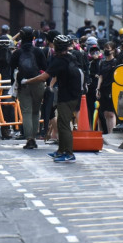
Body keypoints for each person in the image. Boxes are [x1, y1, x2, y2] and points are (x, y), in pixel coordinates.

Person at [22, 35, 82, 163]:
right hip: (73, 95)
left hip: (67, 96)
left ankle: (69, 153)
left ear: (56, 46)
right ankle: (60, 151)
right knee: (61, 124)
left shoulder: (59, 60)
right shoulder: (70, 57)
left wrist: (27, 81)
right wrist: (51, 85)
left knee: (64, 125)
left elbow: (44, 76)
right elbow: (57, 74)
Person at [10, 27, 47, 149]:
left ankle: (29, 139)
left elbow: (12, 70)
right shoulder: (38, 51)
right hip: (37, 83)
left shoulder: (17, 53)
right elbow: (45, 67)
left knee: (26, 112)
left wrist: (14, 87)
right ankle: (34, 137)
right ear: (33, 38)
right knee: (36, 111)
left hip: (23, 84)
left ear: (21, 38)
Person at [96, 41, 118, 134]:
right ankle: (108, 132)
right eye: (105, 49)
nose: (106, 51)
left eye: (108, 49)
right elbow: (100, 76)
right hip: (103, 89)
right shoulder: (103, 62)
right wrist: (98, 88)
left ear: (113, 50)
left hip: (112, 88)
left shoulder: (116, 62)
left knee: (111, 113)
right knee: (105, 113)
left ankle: (111, 133)